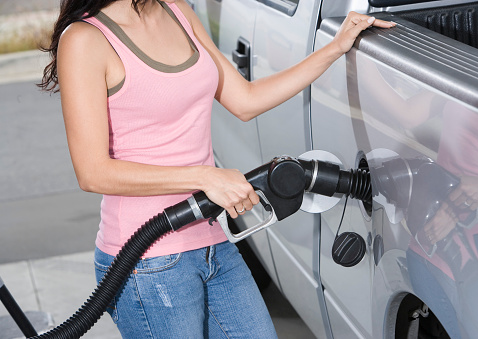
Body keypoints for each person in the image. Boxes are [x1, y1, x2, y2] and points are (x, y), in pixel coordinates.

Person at [39, 0, 395, 337]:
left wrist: (335, 48)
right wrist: (204, 177)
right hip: (147, 263)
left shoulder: (177, 12)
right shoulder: (86, 39)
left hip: (212, 239)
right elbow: (93, 172)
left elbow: (245, 100)